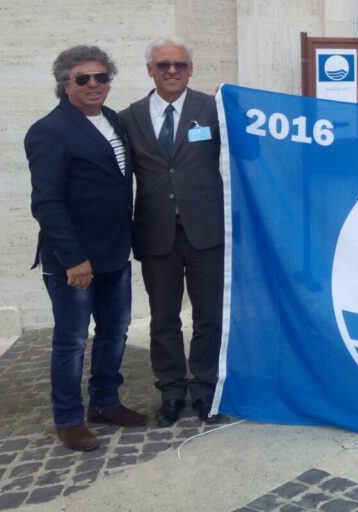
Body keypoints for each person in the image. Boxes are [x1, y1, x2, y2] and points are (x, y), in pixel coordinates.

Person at [25, 46, 148, 452]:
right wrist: (74, 258)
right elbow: (46, 202)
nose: (94, 85)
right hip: (74, 260)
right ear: (64, 84)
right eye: (83, 78)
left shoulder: (112, 121)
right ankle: (68, 418)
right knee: (72, 340)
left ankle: (106, 403)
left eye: (101, 77)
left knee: (115, 332)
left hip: (115, 251)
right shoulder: (49, 131)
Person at [119, 37, 225, 425]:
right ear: (150, 70)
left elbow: (243, 153)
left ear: (191, 68)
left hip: (206, 231)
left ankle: (205, 389)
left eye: (179, 65)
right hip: (155, 231)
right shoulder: (128, 117)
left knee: (208, 315)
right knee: (163, 318)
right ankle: (171, 391)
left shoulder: (212, 110)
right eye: (163, 65)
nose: (171, 71)